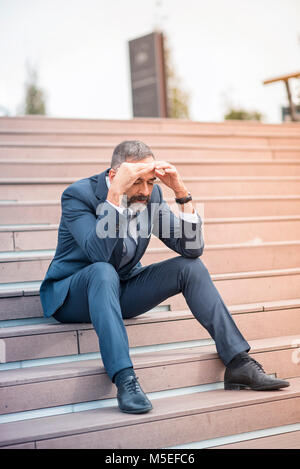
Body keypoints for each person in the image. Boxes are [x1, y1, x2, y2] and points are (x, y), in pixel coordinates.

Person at [40, 140, 289, 414]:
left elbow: (193, 249)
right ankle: (125, 379)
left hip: (120, 290)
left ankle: (239, 362)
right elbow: (98, 255)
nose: (145, 191)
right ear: (115, 176)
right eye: (137, 182)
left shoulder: (152, 198)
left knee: (190, 268)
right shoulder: (78, 195)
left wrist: (181, 192)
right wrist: (115, 196)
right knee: (102, 271)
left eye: (151, 182)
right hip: (73, 296)